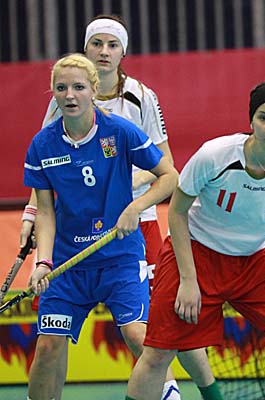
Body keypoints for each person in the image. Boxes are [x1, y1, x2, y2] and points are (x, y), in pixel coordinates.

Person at [20, 15, 222, 400]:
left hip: (134, 227)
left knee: (157, 325)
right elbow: (46, 180)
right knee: (49, 345)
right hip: (74, 240)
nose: (103, 51)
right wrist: (33, 223)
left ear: (122, 52)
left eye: (112, 45)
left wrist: (126, 192)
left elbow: (167, 168)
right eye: (96, 44)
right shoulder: (59, 111)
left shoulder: (140, 99)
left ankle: (185, 390)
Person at [125, 80, 265, 400]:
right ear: (251, 121)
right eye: (264, 118)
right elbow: (177, 212)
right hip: (197, 251)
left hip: (255, 259)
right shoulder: (215, 155)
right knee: (158, 353)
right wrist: (188, 279)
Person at [24, 53, 178, 399]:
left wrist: (136, 208)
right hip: (67, 263)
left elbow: (170, 176)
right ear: (53, 93)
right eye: (61, 88)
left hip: (119, 257)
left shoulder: (120, 131)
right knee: (48, 347)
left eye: (79, 87)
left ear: (93, 90)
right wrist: (43, 262)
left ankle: (170, 394)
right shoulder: (42, 145)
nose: (70, 95)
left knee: (138, 336)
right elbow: (45, 212)